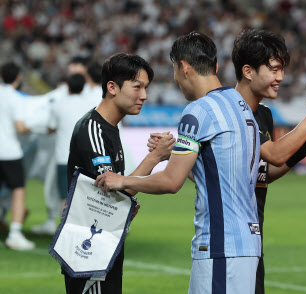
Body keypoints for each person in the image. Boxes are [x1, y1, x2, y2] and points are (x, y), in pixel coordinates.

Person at [95, 32, 261, 294]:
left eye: (174, 70)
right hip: (247, 243)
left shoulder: (198, 111)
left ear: (184, 67)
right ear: (215, 67)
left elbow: (172, 182)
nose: (175, 79)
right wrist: (174, 155)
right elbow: (219, 172)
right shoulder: (240, 104)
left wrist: (123, 180)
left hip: (220, 244)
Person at [231, 29, 306, 294]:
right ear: (248, 71)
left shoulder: (262, 114)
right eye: (274, 70)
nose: (280, 78)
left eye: (282, 69)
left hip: (252, 238)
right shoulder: (229, 111)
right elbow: (273, 154)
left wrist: (303, 146)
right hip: (229, 242)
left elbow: (265, 172)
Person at [64, 53, 175, 294]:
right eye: (137, 87)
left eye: (145, 88)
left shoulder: (109, 128)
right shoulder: (93, 129)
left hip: (104, 245)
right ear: (112, 87)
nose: (144, 96)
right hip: (89, 253)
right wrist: (154, 158)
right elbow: (113, 192)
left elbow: (119, 188)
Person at [48, 73, 97, 213]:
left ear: (67, 86)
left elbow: (51, 127)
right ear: (83, 87)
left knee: (66, 198)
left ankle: (65, 232)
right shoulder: (92, 105)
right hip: (87, 158)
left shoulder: (58, 105)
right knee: (88, 198)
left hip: (64, 157)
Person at [0, 62, 34, 250]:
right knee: (18, 190)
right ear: (18, 77)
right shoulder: (15, 98)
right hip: (9, 151)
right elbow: (20, 127)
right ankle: (15, 233)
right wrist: (38, 127)